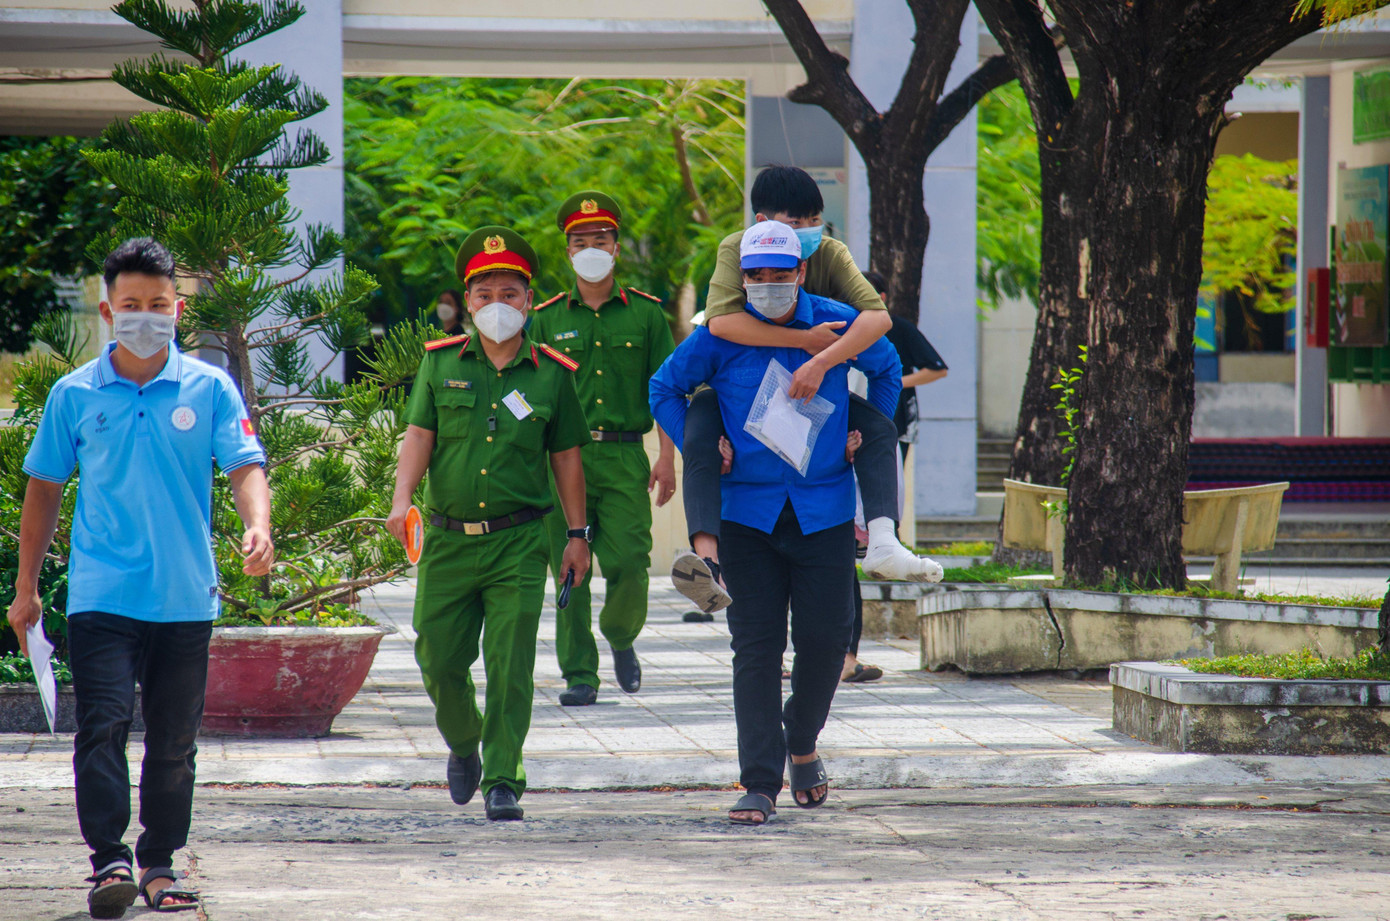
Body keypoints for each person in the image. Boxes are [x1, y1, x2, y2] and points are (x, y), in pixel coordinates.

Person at [6, 237, 273, 918]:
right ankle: (109, 863)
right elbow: (43, 488)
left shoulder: (210, 387)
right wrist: (26, 587)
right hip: (102, 593)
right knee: (101, 725)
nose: (145, 315)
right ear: (107, 309)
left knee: (174, 738)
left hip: (186, 595)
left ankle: (159, 863)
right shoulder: (74, 395)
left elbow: (245, 465)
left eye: (158, 304)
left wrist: (257, 524)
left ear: (178, 308)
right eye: (132, 305)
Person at [649, 221, 902, 825]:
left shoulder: (837, 320)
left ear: (799, 272)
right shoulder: (721, 334)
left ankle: (802, 740)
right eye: (755, 277)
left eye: (779, 274)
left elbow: (889, 367)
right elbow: (664, 387)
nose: (768, 285)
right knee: (755, 648)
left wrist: (864, 430)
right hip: (748, 513)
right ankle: (759, 781)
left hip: (826, 508)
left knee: (824, 641)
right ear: (743, 280)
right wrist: (700, 444)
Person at [386, 225, 592, 822]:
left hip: (521, 540)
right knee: (438, 657)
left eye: (510, 293)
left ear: (529, 300)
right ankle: (463, 742)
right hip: (448, 540)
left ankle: (505, 775)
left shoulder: (553, 373)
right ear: (466, 301)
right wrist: (402, 502)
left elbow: (567, 458)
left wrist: (577, 538)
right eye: (484, 294)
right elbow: (419, 435)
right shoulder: (440, 362)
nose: (496, 305)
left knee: (510, 662)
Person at [671, 166, 940, 616]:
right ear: (761, 224)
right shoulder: (736, 249)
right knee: (700, 420)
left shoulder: (829, 252)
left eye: (813, 220)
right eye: (795, 223)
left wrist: (822, 360)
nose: (806, 232)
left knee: (876, 426)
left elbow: (878, 321)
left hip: (819, 390)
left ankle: (882, 538)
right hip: (744, 393)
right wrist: (802, 339)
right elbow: (720, 323)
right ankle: (707, 560)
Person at [528, 191, 676, 705]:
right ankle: (579, 675)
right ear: (567, 250)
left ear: (616, 247)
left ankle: (620, 636)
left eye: (601, 238)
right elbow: (527, 392)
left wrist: (666, 456)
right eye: (580, 240)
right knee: (568, 567)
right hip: (560, 460)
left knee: (631, 560)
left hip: (621, 454)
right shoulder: (543, 319)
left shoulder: (647, 316)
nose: (591, 247)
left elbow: (667, 390)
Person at [842, 270, 950, 684]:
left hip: (884, 425)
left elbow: (936, 369)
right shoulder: (831, 328)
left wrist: (890, 379)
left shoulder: (894, 330)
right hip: (840, 436)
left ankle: (878, 537)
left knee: (876, 496)